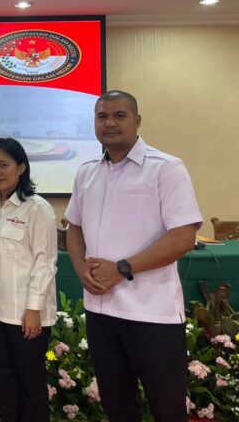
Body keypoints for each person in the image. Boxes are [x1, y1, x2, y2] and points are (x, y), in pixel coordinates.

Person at [65, 90, 202, 422]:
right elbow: (74, 226)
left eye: (119, 115)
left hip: (152, 314)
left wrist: (122, 268)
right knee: (118, 408)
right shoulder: (86, 172)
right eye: (102, 117)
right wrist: (80, 266)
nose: (110, 123)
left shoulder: (166, 168)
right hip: (101, 312)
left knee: (167, 409)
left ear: (137, 120)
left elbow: (183, 237)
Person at [0, 137, 57, 422]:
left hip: (26, 314)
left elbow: (46, 262)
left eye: (3, 165)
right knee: (5, 378)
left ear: (21, 168)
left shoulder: (37, 208)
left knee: (30, 384)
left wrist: (33, 309)